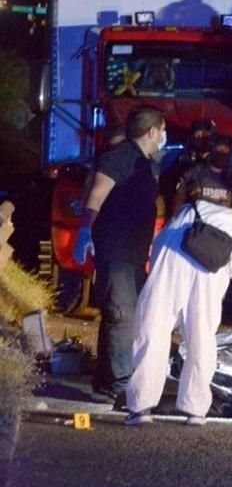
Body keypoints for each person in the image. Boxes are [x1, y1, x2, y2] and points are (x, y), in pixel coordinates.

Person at [123, 191, 232, 426]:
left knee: (152, 336)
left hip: (167, 273)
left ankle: (141, 408)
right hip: (208, 281)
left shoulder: (184, 212)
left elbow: (159, 245)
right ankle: (196, 411)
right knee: (201, 340)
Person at [73, 106, 167, 402]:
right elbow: (97, 194)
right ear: (152, 132)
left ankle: (105, 380)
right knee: (122, 316)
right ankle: (121, 385)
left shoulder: (146, 163)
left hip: (133, 254)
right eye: (162, 130)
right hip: (117, 252)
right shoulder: (120, 157)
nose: (164, 136)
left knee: (120, 317)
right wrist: (85, 230)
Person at [174, 133, 232, 326]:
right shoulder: (195, 173)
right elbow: (178, 199)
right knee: (195, 280)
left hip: (229, 235)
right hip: (199, 234)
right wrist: (176, 221)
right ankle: (188, 318)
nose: (222, 154)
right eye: (218, 150)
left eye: (226, 151)